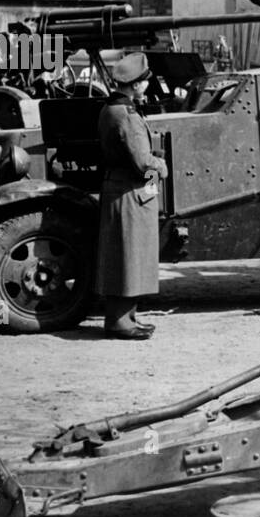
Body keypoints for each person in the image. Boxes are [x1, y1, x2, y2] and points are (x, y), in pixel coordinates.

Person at [97, 51, 168, 340]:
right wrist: (160, 165)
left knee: (126, 258)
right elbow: (142, 163)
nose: (147, 87)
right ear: (136, 84)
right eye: (145, 82)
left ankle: (127, 318)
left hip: (122, 191)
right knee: (129, 259)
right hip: (132, 195)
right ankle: (120, 323)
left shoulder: (110, 109)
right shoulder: (126, 116)